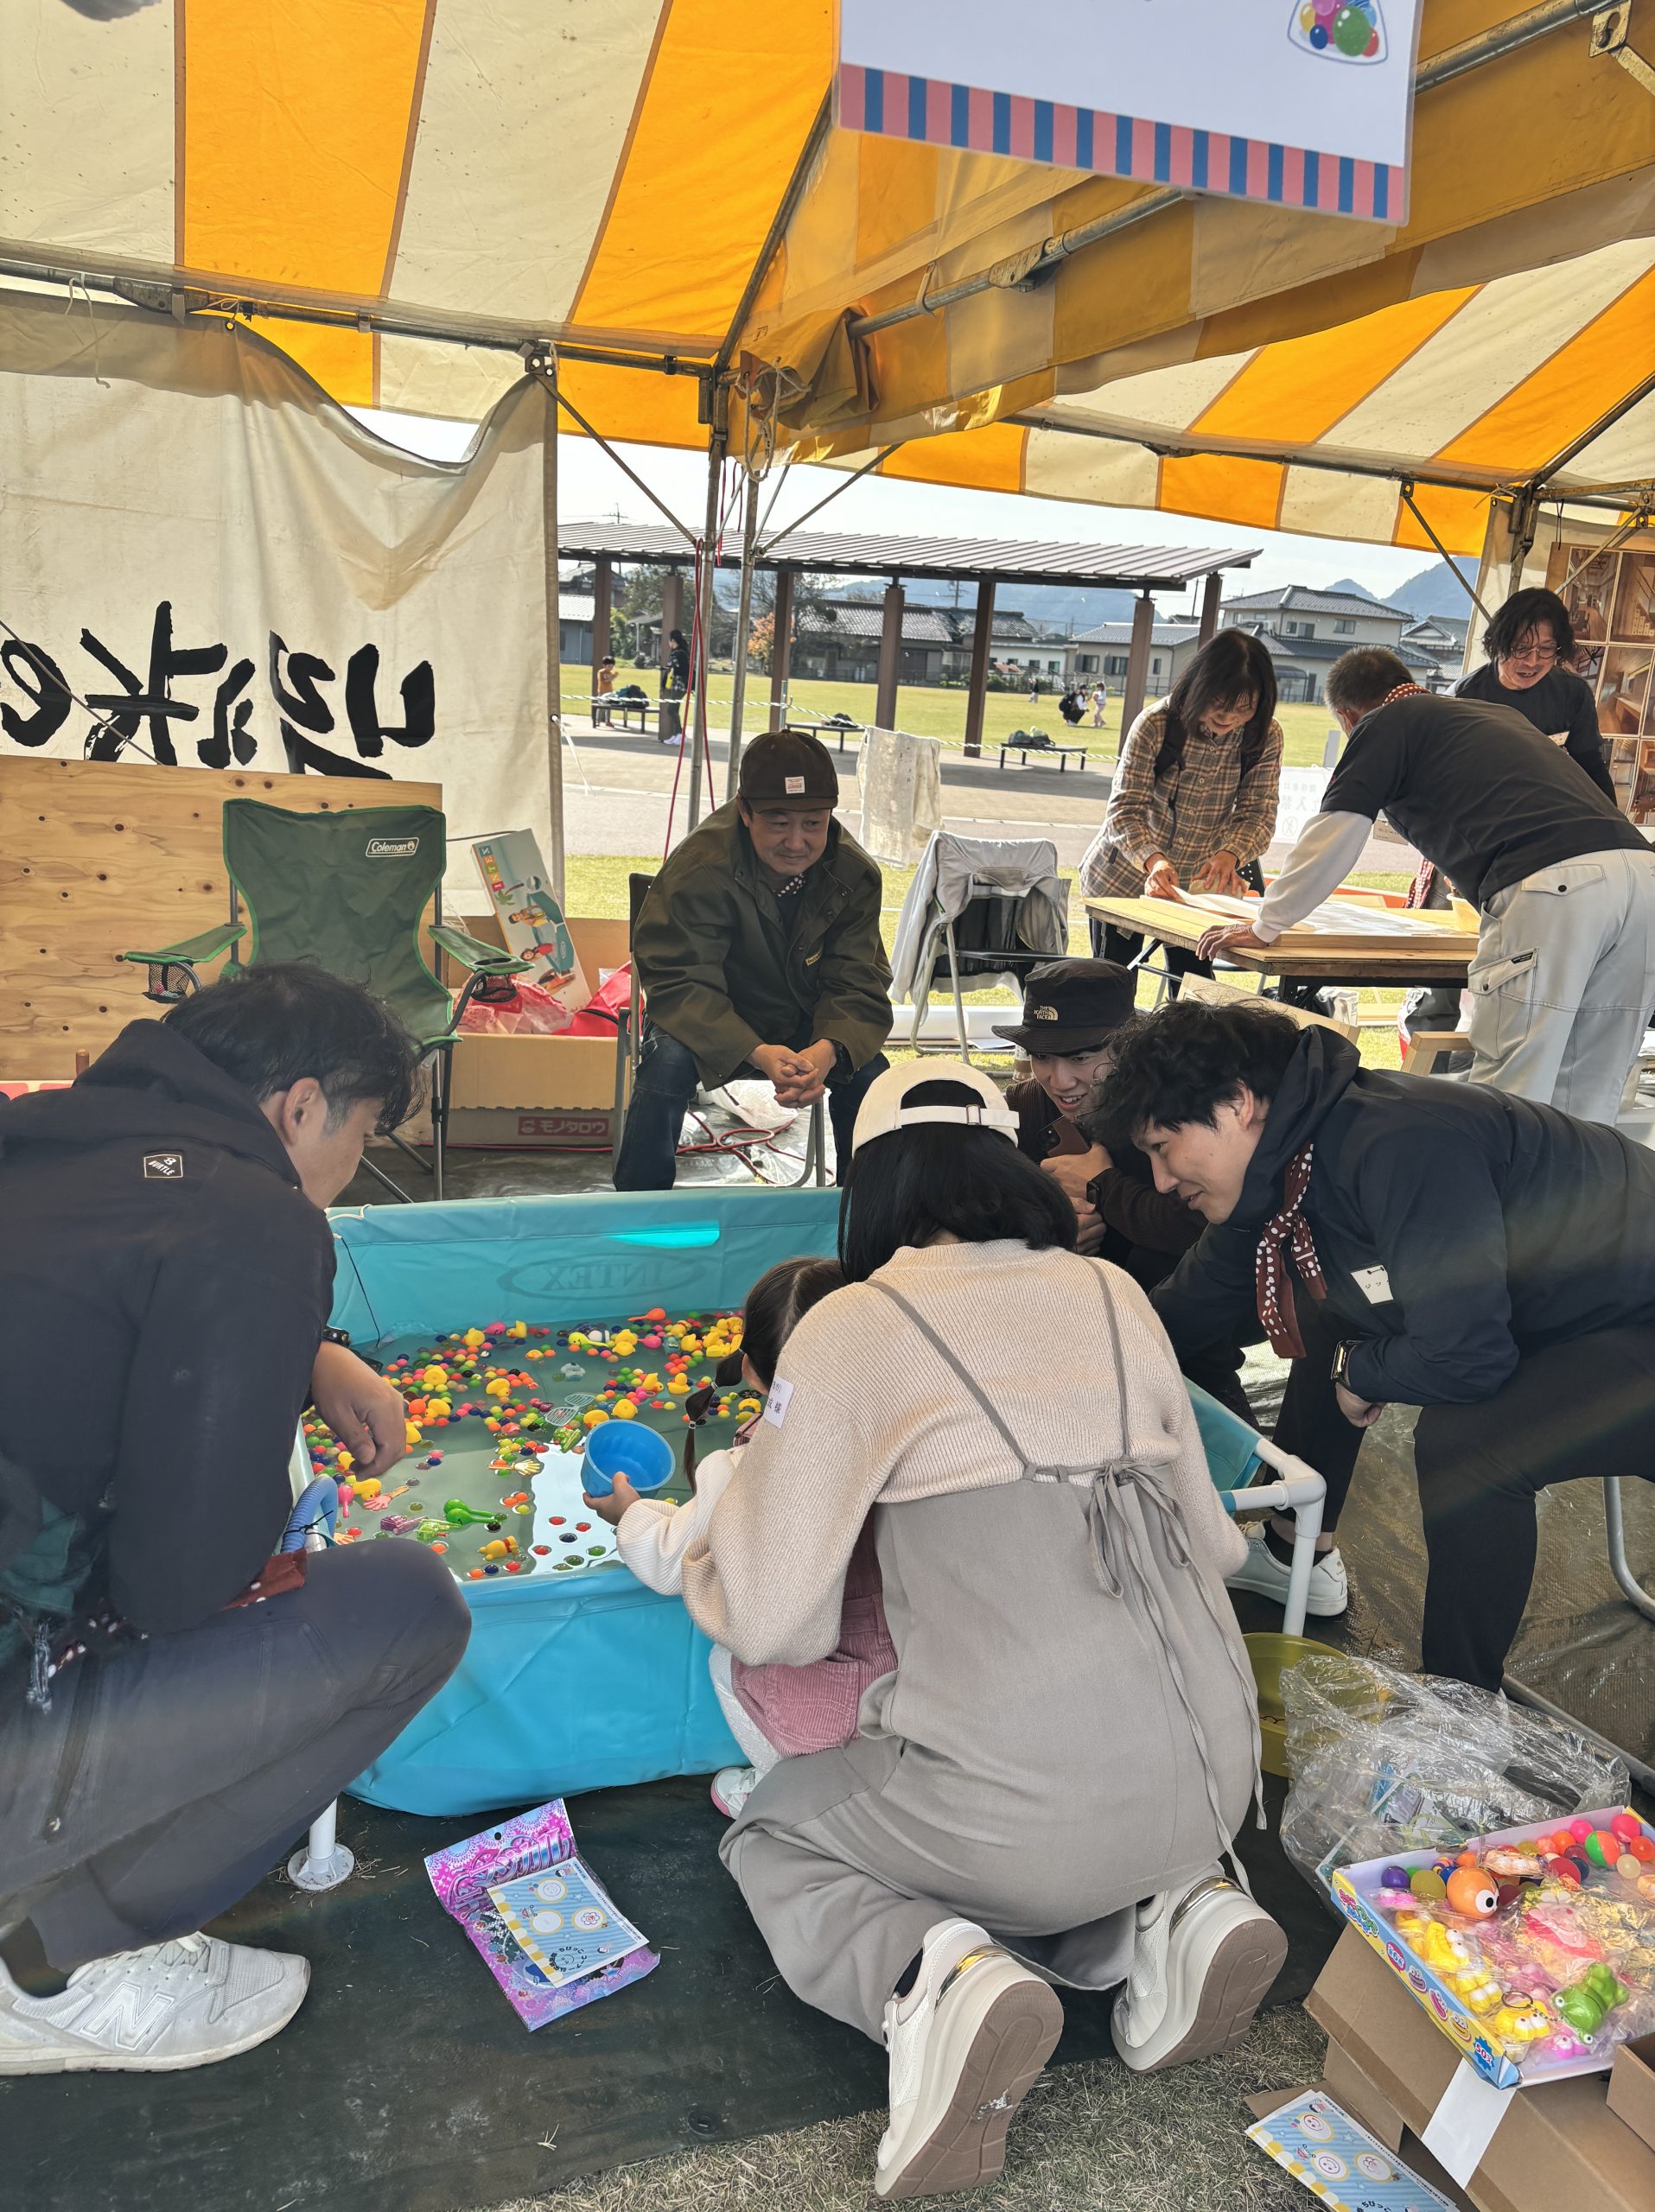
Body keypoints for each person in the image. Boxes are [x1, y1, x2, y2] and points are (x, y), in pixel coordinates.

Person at [680, 1060, 1284, 2199]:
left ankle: (926, 1981)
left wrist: (710, 1548)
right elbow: (1213, 1548)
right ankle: (1170, 1912)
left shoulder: (852, 1324)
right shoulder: (1111, 1291)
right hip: (1214, 1774)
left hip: (1018, 1807)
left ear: (870, 1189)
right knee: (1036, 1829)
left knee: (779, 1832)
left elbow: (773, 1624)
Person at [0, 965, 469, 2074]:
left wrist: (305, 1352)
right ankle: (48, 1963)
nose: (350, 1170)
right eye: (361, 1134)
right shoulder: (256, 1217)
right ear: (301, 1107)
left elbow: (92, 1312)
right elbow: (181, 1583)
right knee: (408, 1607)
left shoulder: (40, 1137)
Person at [1096, 995, 1655, 1691]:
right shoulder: (1288, 1155)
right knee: (1328, 1308)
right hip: (1571, 1316)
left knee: (1467, 1445)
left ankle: (1455, 1712)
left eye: (1161, 1147)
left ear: (1237, 1103)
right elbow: (1186, 1306)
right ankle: (1296, 1548)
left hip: (1633, 1322)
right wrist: (1074, 1375)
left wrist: (1361, 1372)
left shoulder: (1400, 1141)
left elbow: (1466, 1360)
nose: (1159, 1179)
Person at [1197, 646, 1655, 1126]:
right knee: (1593, 1086)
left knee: (1515, 1085)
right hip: (1640, 876)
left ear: (1348, 717)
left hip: (1554, 886)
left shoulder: (1386, 722)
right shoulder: (1492, 715)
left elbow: (1337, 829)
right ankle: (1582, 1177)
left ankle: (1498, 1177)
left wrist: (1268, 923)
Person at [589, 1256, 894, 1824]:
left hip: (818, 1705)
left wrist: (631, 1513)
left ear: (751, 1371)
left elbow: (668, 1560)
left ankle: (780, 1788)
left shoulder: (741, 1471)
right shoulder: (914, 1443)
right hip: (917, 1686)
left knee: (726, 1660)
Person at [614, 728, 893, 1191]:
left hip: (807, 1022)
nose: (797, 842)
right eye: (778, 823)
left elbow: (857, 980)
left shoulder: (854, 873)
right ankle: (639, 1208)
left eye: (814, 823)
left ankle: (864, 1210)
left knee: (871, 1075)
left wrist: (826, 1052)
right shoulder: (699, 868)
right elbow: (680, 982)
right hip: (711, 1021)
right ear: (744, 811)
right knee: (665, 1066)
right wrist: (756, 1052)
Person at [1080, 630, 1283, 991]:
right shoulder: (1156, 723)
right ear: (1200, 685)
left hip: (1198, 891)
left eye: (1245, 707)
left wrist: (1231, 854)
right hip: (1123, 879)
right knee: (1112, 987)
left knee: (1196, 992)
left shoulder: (1264, 735)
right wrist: (1154, 861)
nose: (1229, 717)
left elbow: (1259, 815)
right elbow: (1124, 810)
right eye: (1220, 703)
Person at [1457, 588, 1614, 799]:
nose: (1532, 662)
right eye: (1521, 648)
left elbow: (1590, 765)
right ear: (1498, 643)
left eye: (1546, 649)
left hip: (1546, 803)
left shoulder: (1572, 693)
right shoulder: (1465, 699)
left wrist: (1611, 817)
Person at [660, 627, 691, 744]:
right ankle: (676, 734)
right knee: (674, 709)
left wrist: (663, 684)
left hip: (679, 685)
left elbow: (671, 668)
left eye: (669, 640)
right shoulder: (682, 652)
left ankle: (680, 734)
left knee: (671, 709)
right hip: (679, 685)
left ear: (673, 640)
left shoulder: (677, 653)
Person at [592, 652, 616, 727]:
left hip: (610, 692)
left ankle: (607, 721)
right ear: (604, 665)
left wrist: (613, 676)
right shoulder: (601, 672)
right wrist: (612, 678)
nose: (610, 668)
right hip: (602, 692)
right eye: (609, 666)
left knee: (609, 707)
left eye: (612, 666)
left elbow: (614, 675)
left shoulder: (612, 672)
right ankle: (597, 721)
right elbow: (604, 681)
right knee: (601, 707)